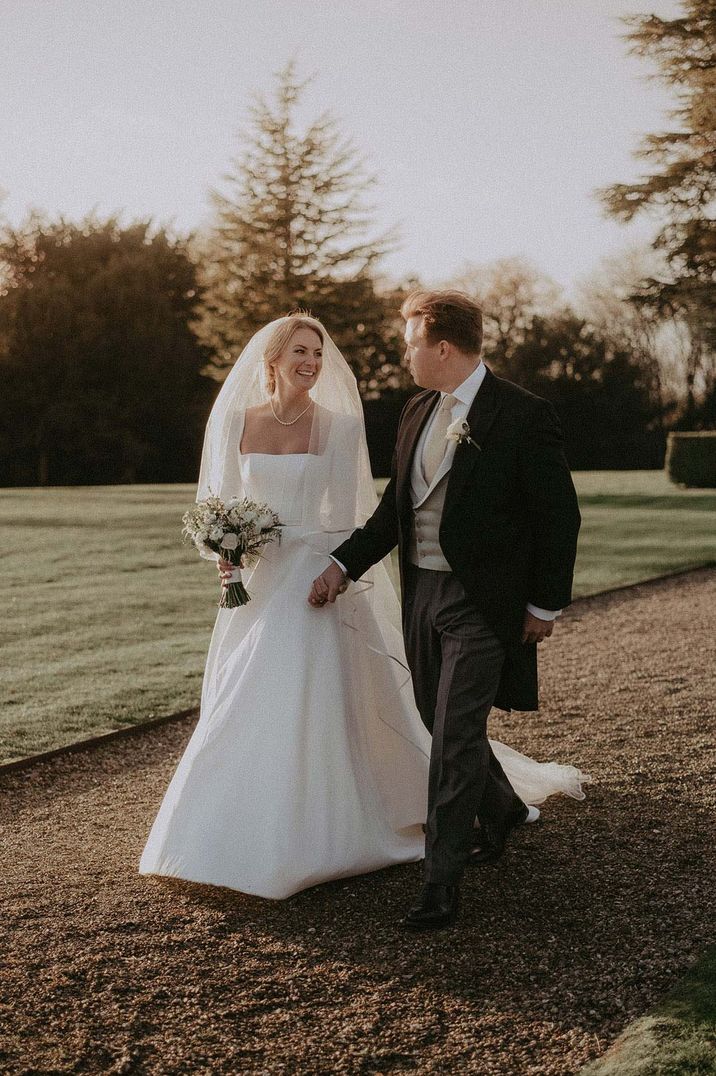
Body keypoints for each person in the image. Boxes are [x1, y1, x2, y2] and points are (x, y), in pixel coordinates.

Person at [139, 312, 588, 904]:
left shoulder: (345, 427)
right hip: (262, 581)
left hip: (324, 575)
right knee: (254, 694)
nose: (312, 363)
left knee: (401, 711)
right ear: (271, 359)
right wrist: (225, 549)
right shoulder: (241, 422)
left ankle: (405, 865)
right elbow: (220, 502)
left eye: (318, 353)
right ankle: (232, 826)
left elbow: (363, 515)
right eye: (300, 351)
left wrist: (339, 567)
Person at [310, 291, 584, 929]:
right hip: (423, 595)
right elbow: (393, 514)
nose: (402, 353)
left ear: (441, 345)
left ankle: (441, 883)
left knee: (454, 739)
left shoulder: (521, 415)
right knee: (440, 724)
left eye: (409, 342)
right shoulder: (416, 412)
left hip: (483, 604)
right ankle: (507, 808)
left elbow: (559, 516)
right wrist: (342, 565)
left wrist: (544, 604)